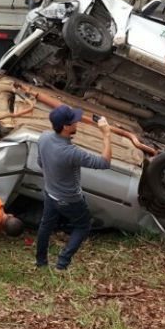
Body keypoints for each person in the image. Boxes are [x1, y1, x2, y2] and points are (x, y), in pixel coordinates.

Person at [35, 105, 110, 271]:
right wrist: (106, 134)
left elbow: (40, 162)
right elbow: (104, 163)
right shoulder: (71, 152)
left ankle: (41, 262)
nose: (77, 122)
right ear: (66, 127)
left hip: (50, 193)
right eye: (74, 121)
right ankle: (62, 264)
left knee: (45, 226)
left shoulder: (44, 137)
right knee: (83, 225)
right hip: (70, 199)